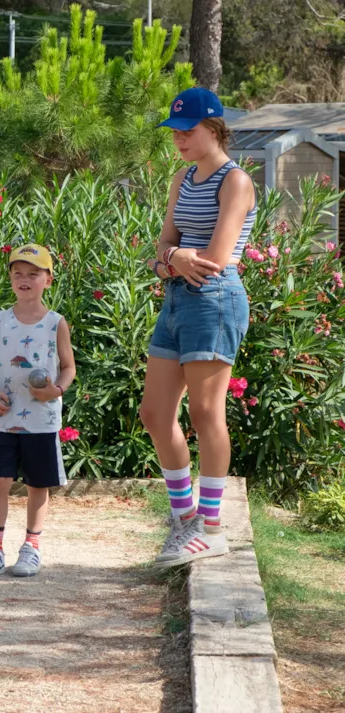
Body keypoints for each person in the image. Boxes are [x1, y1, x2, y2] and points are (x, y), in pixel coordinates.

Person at [140, 87, 257, 568]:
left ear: (214, 128)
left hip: (215, 301)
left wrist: (177, 257)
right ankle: (185, 518)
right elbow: (161, 249)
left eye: (187, 132)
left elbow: (214, 260)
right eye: (175, 133)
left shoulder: (237, 182)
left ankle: (211, 528)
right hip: (175, 301)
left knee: (207, 414)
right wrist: (172, 258)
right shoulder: (182, 178)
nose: (180, 140)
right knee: (153, 412)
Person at [0, 244, 76, 580]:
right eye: (18, 273)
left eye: (33, 273)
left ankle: (31, 547)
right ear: (10, 279)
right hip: (5, 416)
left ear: (48, 279)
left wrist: (56, 390)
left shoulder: (56, 323)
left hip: (42, 420)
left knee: (37, 485)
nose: (25, 279)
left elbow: (68, 367)